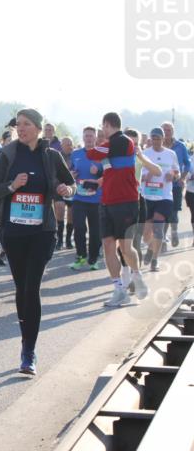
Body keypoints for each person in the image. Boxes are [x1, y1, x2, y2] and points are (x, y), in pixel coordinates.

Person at [0, 109, 75, 375]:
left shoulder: (51, 155)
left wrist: (66, 190)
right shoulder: (9, 154)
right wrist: (11, 187)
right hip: (13, 232)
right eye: (18, 125)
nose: (20, 129)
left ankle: (29, 351)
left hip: (42, 233)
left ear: (37, 127)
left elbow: (72, 184)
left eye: (25, 125)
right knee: (21, 288)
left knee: (31, 287)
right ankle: (26, 340)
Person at [87, 113, 150, 307]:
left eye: (103, 126)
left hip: (127, 201)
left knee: (125, 246)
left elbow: (92, 154)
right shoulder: (109, 148)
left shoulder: (123, 141)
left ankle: (137, 276)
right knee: (107, 244)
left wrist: (95, 144)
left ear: (108, 125)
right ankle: (118, 289)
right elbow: (105, 169)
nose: (102, 130)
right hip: (107, 201)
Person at [140, 127, 181, 272]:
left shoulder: (171, 154)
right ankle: (150, 248)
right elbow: (137, 174)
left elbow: (177, 171)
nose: (156, 141)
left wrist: (173, 174)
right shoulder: (144, 154)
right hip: (148, 196)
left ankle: (155, 260)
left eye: (159, 138)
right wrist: (146, 176)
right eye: (154, 138)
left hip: (164, 196)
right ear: (151, 139)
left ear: (163, 139)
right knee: (146, 234)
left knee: (158, 227)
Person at [69, 127, 105, 271]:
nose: (89, 138)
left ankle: (93, 259)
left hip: (96, 199)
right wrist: (72, 174)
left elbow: (109, 174)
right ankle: (81, 256)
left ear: (95, 137)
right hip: (79, 197)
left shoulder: (102, 155)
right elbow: (70, 171)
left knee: (95, 231)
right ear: (83, 138)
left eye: (91, 136)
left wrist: (99, 171)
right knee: (79, 228)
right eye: (86, 136)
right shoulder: (76, 154)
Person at [163, 122, 192, 247]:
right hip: (160, 186)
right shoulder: (157, 146)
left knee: (174, 211)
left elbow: (187, 163)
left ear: (173, 131)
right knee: (162, 212)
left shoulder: (180, 146)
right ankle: (163, 237)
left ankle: (173, 232)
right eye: (164, 130)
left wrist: (183, 178)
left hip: (175, 185)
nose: (166, 132)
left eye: (168, 130)